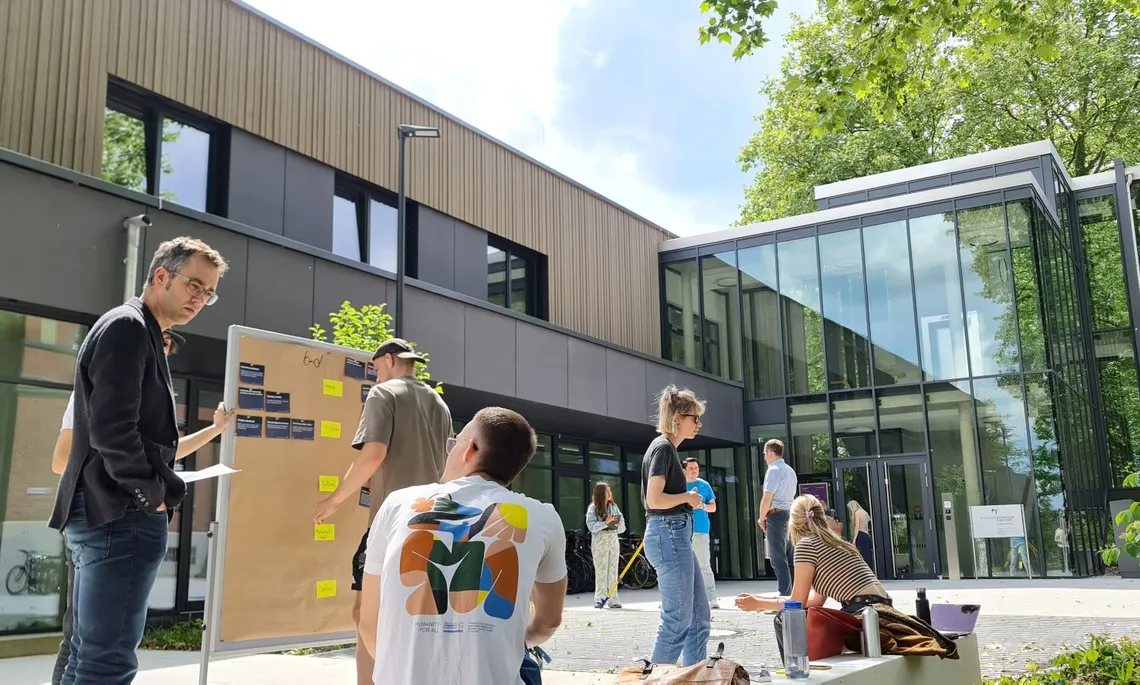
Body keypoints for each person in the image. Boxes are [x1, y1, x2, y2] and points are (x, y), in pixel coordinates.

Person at [48, 237, 227, 685]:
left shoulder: (137, 329)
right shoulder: (128, 328)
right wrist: (152, 495)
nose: (199, 299)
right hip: (119, 515)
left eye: (208, 293)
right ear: (161, 275)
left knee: (84, 654)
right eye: (194, 285)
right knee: (106, 664)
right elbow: (113, 431)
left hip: (105, 513)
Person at [356, 407, 567, 685]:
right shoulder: (543, 517)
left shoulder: (397, 503)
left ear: (470, 450)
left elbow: (369, 620)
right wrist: (519, 641)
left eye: (453, 444)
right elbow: (548, 622)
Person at [313, 337, 452, 685]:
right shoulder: (439, 403)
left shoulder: (383, 394)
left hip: (392, 526)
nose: (375, 378)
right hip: (434, 524)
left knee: (367, 615)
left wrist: (334, 499)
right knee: (415, 616)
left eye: (375, 369)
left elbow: (373, 455)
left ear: (389, 360)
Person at [735, 494, 891, 661]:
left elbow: (797, 603)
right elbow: (814, 601)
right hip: (883, 611)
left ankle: (797, 673)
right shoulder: (838, 543)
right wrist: (759, 599)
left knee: (784, 619)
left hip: (862, 614)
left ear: (793, 523)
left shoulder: (806, 545)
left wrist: (759, 604)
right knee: (806, 616)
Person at [640, 385, 709, 667]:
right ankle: (657, 677)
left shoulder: (665, 449)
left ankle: (693, 675)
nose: (699, 424)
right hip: (668, 533)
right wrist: (688, 498)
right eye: (695, 418)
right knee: (678, 619)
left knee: (699, 618)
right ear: (678, 418)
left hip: (672, 534)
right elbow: (653, 499)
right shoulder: (663, 448)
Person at [757, 439, 797, 595]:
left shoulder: (773, 469)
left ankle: (785, 596)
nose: (764, 457)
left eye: (764, 454)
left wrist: (761, 518)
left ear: (769, 452)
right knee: (790, 558)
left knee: (778, 559)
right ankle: (796, 595)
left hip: (776, 515)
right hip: (790, 515)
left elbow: (767, 498)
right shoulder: (790, 470)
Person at [682, 457, 719, 609]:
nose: (694, 471)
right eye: (691, 468)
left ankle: (711, 597)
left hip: (700, 530)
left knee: (703, 564)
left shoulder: (704, 485)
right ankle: (682, 600)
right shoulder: (678, 485)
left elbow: (713, 507)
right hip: (682, 530)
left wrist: (701, 505)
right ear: (684, 470)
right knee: (682, 566)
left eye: (696, 468)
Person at [586, 482, 626, 609]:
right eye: (606, 491)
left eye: (610, 491)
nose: (609, 494)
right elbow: (591, 526)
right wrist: (605, 523)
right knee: (601, 570)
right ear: (600, 493)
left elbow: (623, 526)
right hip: (600, 542)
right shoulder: (593, 508)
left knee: (613, 571)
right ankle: (600, 599)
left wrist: (618, 525)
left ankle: (613, 599)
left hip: (613, 540)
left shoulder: (614, 507)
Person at [847, 499, 874, 570]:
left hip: (861, 534)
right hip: (866, 535)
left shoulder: (857, 513)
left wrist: (854, 539)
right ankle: (870, 569)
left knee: (862, 554)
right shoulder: (864, 512)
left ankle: (865, 570)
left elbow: (857, 527)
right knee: (867, 553)